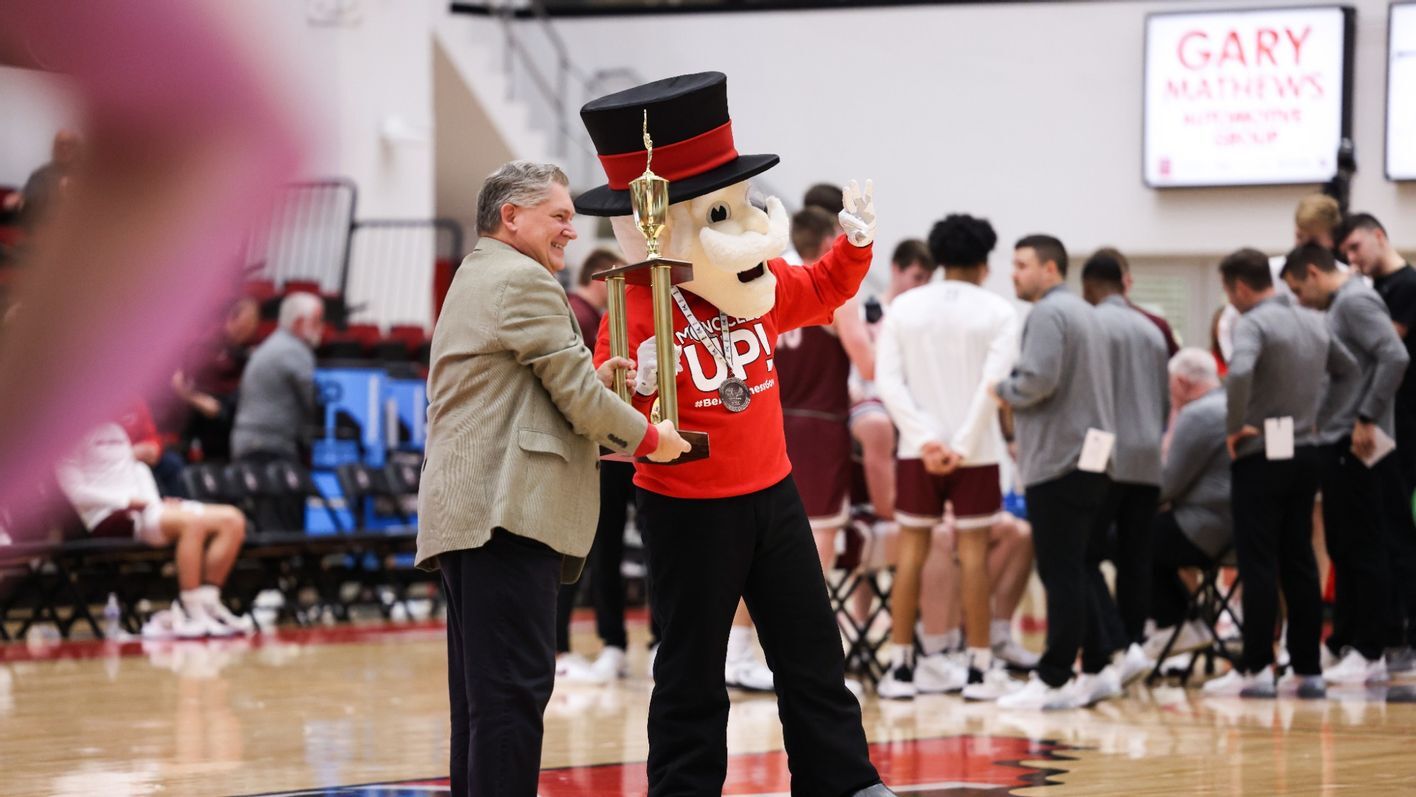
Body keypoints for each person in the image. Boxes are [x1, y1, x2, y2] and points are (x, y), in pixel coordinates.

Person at [579, 71, 890, 797]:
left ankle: (843, 781)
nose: (742, 222)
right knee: (690, 666)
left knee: (812, 650)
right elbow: (607, 409)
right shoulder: (632, 301)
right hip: (686, 502)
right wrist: (639, 387)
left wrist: (855, 244)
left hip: (773, 493)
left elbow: (820, 291)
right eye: (722, 208)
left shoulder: (748, 279)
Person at [415, 160, 688, 797]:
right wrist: (652, 439)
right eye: (560, 215)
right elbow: (575, 398)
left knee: (485, 708)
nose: (572, 229)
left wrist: (595, 384)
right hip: (505, 514)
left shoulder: (481, 273)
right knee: (511, 701)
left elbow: (532, 393)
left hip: (474, 511)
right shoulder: (523, 282)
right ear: (511, 216)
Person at [874, 213, 1019, 700]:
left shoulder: (904, 308)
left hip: (918, 450)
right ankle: (978, 671)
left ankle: (899, 669)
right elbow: (992, 388)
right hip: (975, 452)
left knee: (910, 556)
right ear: (984, 262)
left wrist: (926, 439)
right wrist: (959, 445)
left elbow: (887, 383)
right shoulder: (999, 311)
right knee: (973, 557)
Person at [1202, 248, 1357, 699]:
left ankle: (1255, 667)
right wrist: (1323, 416)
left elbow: (1241, 370)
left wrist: (1234, 426)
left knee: (1259, 561)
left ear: (1240, 288)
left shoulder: (1254, 323)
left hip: (1259, 450)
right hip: (1306, 449)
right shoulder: (1314, 319)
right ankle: (1307, 667)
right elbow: (1348, 370)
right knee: (1300, 560)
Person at [991, 234, 1116, 710]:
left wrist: (1002, 388)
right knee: (1080, 565)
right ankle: (1100, 665)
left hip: (1060, 459)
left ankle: (1055, 676)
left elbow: (1038, 380)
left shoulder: (1048, 313)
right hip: (1092, 456)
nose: (1014, 273)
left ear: (1049, 269)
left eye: (1022, 264)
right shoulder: (1087, 312)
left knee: (1061, 570)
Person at [1280, 242, 1408, 684]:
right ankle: (1350, 640)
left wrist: (1367, 416)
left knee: (1365, 545)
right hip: (1335, 440)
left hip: (1357, 441)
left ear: (1313, 273)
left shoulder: (1355, 301)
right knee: (1345, 546)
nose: (1299, 300)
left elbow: (1396, 355)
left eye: (1299, 289)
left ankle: (1372, 649)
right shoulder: (1339, 306)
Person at [55, 421, 252, 638]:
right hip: (108, 517)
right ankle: (191, 610)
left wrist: (156, 502)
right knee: (191, 523)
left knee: (232, 519)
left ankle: (209, 603)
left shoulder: (115, 429)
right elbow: (76, 494)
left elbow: (136, 469)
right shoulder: (65, 435)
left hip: (142, 508)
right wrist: (126, 501)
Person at [1081, 251, 1170, 694]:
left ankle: (1106, 646)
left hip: (1106, 456)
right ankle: (1134, 644)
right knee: (1137, 558)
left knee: (1086, 554)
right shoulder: (1152, 329)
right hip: (1148, 454)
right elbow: (1165, 398)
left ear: (1088, 287)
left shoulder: (1094, 323)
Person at [554, 247, 642, 685]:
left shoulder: (587, 314)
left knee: (604, 552)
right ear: (604, 278)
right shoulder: (580, 316)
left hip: (618, 449)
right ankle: (575, 648)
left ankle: (613, 645)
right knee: (595, 552)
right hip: (604, 451)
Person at [1339, 213, 1416, 671]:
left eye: (1355, 248)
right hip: (1380, 429)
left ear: (1379, 237)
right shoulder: (1369, 294)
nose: (1352, 260)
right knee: (1379, 536)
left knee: (1399, 538)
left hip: (1402, 430)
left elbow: (1386, 351)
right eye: (1344, 253)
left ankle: (1406, 637)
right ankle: (1384, 636)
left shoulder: (1406, 287)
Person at [1144, 349, 1233, 659]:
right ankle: (1185, 621)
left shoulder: (1198, 414)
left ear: (1181, 382)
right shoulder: (1229, 403)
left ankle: (1173, 624)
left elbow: (1167, 485)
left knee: (1129, 537)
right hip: (1235, 528)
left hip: (1207, 529)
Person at [230, 292, 323, 465]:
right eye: (317, 321)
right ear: (299, 322)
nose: (321, 327)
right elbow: (312, 401)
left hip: (249, 440)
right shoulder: (295, 351)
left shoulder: (274, 343)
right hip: (269, 446)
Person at [1098, 246, 1181, 357]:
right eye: (1101, 283)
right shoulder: (1085, 326)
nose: (1107, 289)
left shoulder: (1156, 325)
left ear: (1128, 281)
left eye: (1113, 281)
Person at [11, 129, 83, 231]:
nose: (65, 148)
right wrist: (19, 198)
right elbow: (26, 195)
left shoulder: (88, 175)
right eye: (61, 144)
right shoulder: (41, 174)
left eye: (70, 144)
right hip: (44, 232)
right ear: (54, 147)